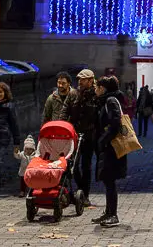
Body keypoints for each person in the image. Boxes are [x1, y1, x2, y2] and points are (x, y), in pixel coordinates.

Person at [91, 76, 127, 228]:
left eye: (97, 87)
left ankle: (113, 215)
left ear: (103, 88)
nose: (95, 90)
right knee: (107, 180)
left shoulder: (110, 101)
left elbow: (115, 123)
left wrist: (102, 140)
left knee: (110, 180)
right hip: (107, 146)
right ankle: (108, 212)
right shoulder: (106, 101)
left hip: (111, 147)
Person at [61, 69, 97, 206]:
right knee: (73, 164)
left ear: (90, 80)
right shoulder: (73, 94)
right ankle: (79, 188)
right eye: (79, 79)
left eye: (83, 80)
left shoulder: (95, 95)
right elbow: (65, 111)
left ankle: (85, 194)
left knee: (86, 165)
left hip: (89, 135)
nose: (80, 82)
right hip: (74, 134)